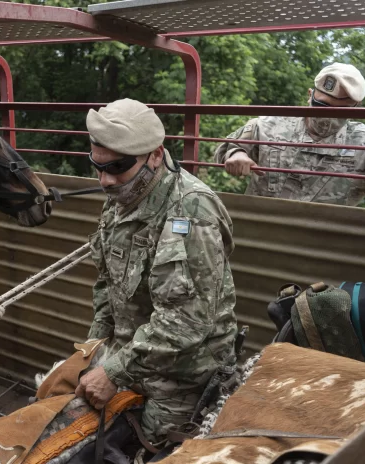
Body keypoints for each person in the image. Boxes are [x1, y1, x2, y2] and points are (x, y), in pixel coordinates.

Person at [75, 98, 238, 445]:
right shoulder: (124, 194)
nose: (105, 181)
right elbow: (108, 283)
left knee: (147, 449)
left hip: (182, 377)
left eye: (117, 167)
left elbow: (189, 320)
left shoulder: (193, 212)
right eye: (97, 166)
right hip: (129, 357)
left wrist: (114, 371)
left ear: (154, 154)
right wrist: (94, 348)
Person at [214, 62, 365, 275]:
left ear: (356, 107)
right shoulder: (269, 125)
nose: (328, 117)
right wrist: (236, 155)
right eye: (322, 106)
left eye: (341, 111)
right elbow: (229, 145)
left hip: (317, 255)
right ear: (310, 94)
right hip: (256, 243)